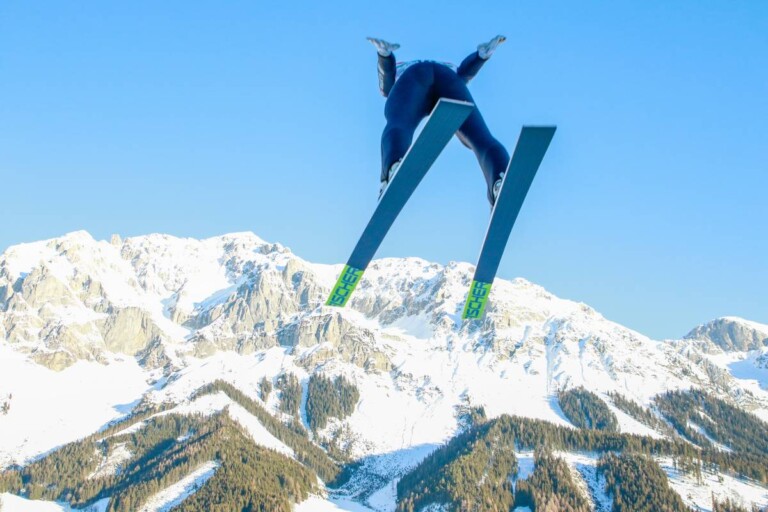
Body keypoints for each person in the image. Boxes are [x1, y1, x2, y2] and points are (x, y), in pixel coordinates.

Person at [368, 35, 509, 205]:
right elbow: (464, 73)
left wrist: (385, 56)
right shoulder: (449, 70)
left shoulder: (403, 70)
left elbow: (387, 87)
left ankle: (393, 166)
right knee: (481, 139)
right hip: (449, 79)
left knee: (400, 124)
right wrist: (480, 57)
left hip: (414, 78)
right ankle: (500, 179)